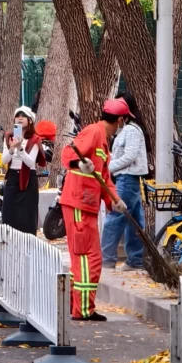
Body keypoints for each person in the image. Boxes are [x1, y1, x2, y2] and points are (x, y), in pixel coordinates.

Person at [59, 98, 127, 322]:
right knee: (89, 259)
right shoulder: (94, 132)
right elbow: (68, 154)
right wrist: (79, 164)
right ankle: (83, 309)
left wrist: (115, 200)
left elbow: (104, 177)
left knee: (84, 258)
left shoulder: (103, 140)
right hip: (79, 202)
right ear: (120, 120)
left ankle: (75, 305)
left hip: (85, 204)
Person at [101, 93, 148, 271]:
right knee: (135, 220)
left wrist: (109, 167)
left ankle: (106, 259)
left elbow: (129, 156)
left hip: (127, 179)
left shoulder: (131, 130)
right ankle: (135, 259)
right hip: (127, 178)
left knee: (115, 217)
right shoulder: (126, 130)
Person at [0, 106, 41, 235]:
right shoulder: (9, 136)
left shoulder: (35, 139)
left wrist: (21, 150)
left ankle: (29, 245)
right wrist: (12, 149)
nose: (20, 118)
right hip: (12, 177)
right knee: (9, 214)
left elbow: (30, 162)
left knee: (27, 216)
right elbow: (4, 160)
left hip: (29, 179)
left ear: (30, 120)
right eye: (18, 116)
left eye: (23, 116)